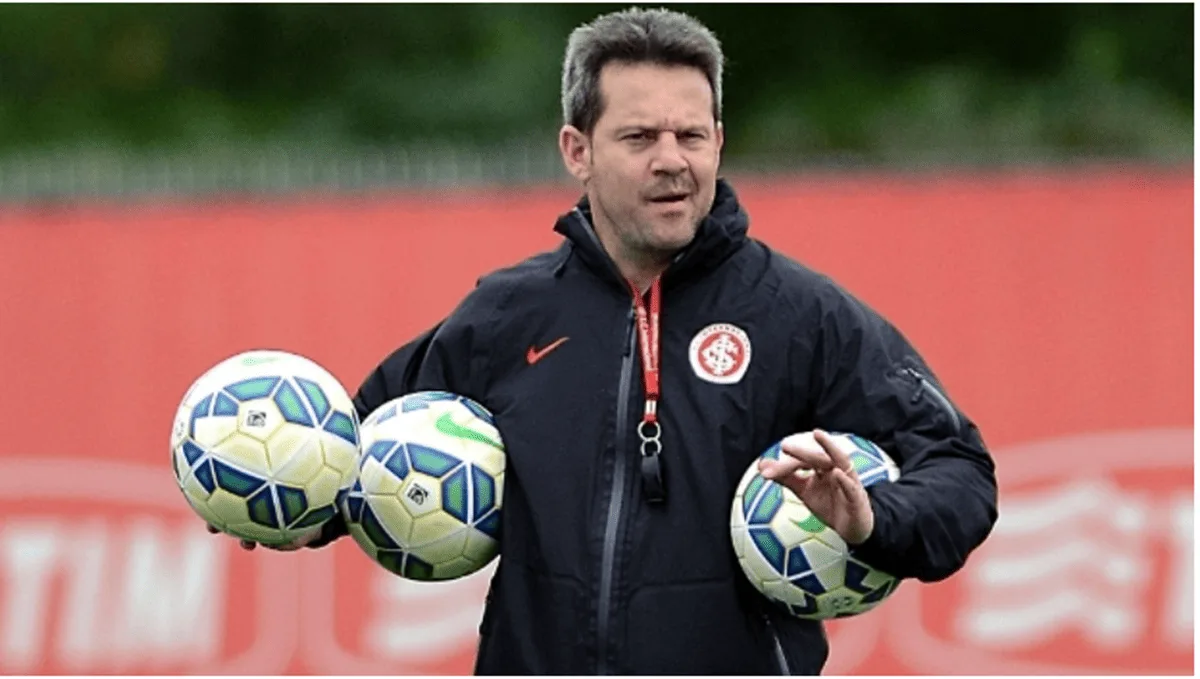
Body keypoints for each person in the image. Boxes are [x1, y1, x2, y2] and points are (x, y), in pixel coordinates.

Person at [213, 7, 998, 675]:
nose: (671, 161)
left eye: (692, 134)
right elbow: (354, 449)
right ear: (577, 150)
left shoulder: (800, 315)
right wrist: (270, 493)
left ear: (719, 143)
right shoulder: (506, 315)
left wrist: (872, 520)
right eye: (639, 136)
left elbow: (959, 470)